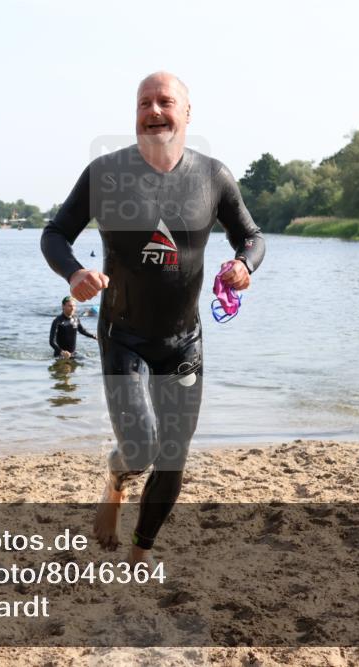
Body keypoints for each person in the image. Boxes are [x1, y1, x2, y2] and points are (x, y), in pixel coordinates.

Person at [41, 71, 265, 564]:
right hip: (123, 335)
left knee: (174, 454)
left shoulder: (214, 177)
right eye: (145, 102)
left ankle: (139, 552)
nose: (154, 111)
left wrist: (243, 266)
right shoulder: (106, 174)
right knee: (140, 446)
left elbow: (251, 236)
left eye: (166, 101)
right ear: (135, 114)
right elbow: (54, 235)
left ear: (187, 113)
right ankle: (116, 481)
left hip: (184, 340)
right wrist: (75, 273)